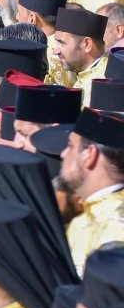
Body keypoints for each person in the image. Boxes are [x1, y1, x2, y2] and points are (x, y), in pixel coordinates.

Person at [61, 108, 124, 274]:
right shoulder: (88, 210)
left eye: (70, 146)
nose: (63, 154)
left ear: (89, 154)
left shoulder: (117, 228)